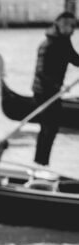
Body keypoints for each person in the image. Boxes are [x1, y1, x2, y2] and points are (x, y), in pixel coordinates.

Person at [31, 11, 79, 166]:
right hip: (43, 92)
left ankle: (42, 163)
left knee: (51, 128)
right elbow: (41, 72)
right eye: (69, 25)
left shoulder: (65, 42)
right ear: (59, 24)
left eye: (73, 26)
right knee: (48, 127)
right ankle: (40, 163)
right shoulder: (48, 44)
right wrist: (58, 86)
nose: (72, 29)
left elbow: (74, 59)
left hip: (54, 92)